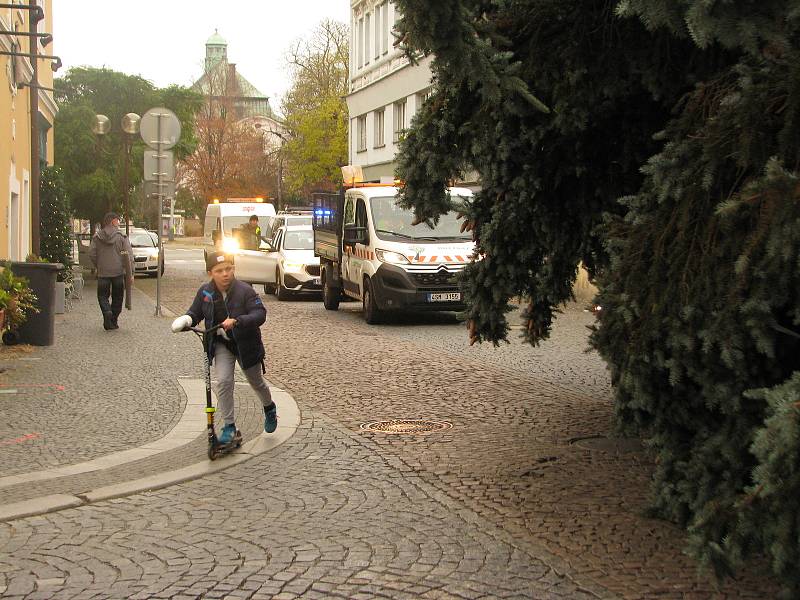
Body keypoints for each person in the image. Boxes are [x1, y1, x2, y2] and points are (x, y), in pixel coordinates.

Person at [177, 251, 277, 443]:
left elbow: (260, 314)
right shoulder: (205, 292)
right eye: (219, 270)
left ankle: (269, 408)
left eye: (228, 269)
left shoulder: (245, 290)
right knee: (223, 382)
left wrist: (238, 321)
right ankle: (229, 426)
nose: (225, 274)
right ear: (210, 273)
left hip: (246, 344)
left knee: (256, 382)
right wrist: (186, 320)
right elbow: (195, 312)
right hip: (222, 344)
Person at [89, 212, 133, 330]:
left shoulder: (97, 237)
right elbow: (128, 255)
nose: (118, 223)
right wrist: (130, 272)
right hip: (118, 272)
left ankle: (107, 311)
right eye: (117, 221)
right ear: (113, 221)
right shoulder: (121, 237)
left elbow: (92, 253)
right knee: (118, 297)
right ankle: (113, 319)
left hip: (103, 273)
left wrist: (99, 265)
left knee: (102, 295)